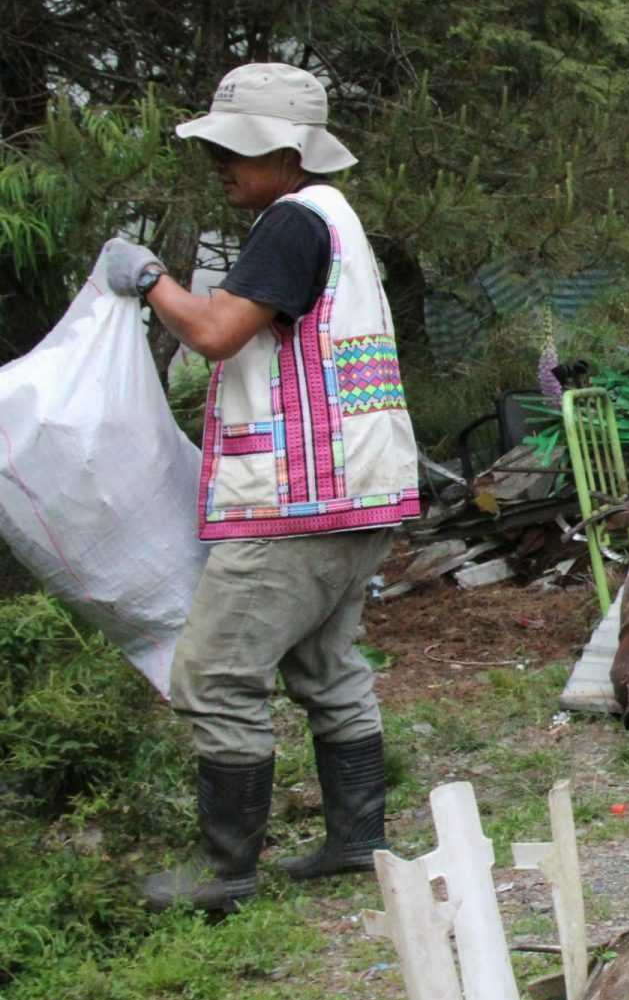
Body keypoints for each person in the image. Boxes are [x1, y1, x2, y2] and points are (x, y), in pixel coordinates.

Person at [99, 62, 420, 914]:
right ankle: (356, 840)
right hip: (362, 490)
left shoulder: (289, 224)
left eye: (236, 149)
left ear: (287, 154)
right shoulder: (337, 220)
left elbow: (215, 333)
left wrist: (150, 278)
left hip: (299, 499)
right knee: (326, 664)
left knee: (212, 673)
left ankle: (225, 870)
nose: (220, 163)